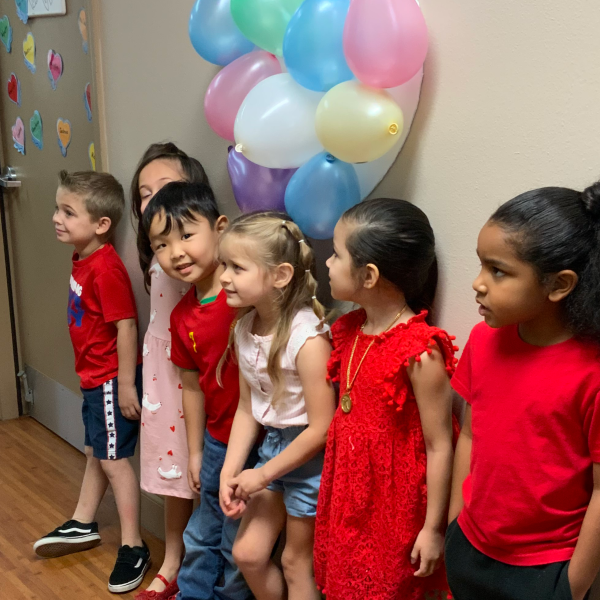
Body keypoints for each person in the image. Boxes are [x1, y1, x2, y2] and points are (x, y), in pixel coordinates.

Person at [446, 183, 600, 600]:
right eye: (481, 266)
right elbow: (472, 434)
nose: (478, 283)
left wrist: (571, 585)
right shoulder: (483, 339)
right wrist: (454, 524)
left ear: (559, 284)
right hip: (469, 549)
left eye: (498, 271)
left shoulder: (592, 373)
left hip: (544, 572)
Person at [314, 198, 457, 600]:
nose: (327, 262)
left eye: (337, 254)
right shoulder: (349, 330)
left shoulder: (420, 350)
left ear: (369, 275)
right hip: (348, 489)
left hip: (392, 506)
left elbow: (440, 444)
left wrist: (432, 529)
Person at [36, 170, 150, 594]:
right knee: (95, 450)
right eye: (57, 208)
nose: (56, 218)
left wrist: (123, 385)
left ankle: (134, 545)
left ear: (102, 224)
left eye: (68, 212)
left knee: (114, 461)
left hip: (107, 381)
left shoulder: (106, 269)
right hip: (93, 378)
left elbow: (126, 326)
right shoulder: (83, 257)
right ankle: (84, 522)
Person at [143, 181, 253, 600]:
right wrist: (194, 452)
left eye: (186, 235)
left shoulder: (245, 299)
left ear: (220, 228)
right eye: (161, 244)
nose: (176, 252)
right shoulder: (181, 316)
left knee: (236, 541)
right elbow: (191, 387)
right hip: (215, 442)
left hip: (258, 445)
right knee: (202, 531)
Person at [218, 212, 335, 600]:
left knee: (295, 564)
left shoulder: (308, 338)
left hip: (308, 461)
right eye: (224, 265)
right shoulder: (243, 328)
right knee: (247, 555)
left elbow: (322, 428)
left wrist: (263, 474)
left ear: (280, 275)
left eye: (237, 267)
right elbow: (247, 409)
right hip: (273, 451)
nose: (223, 277)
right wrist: (231, 471)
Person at [131, 143, 208, 600]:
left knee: (202, 466)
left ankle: (201, 561)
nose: (153, 199)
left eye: (166, 187)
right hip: (162, 368)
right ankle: (174, 559)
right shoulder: (159, 254)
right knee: (173, 468)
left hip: (194, 372)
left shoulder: (196, 255)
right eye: (144, 193)